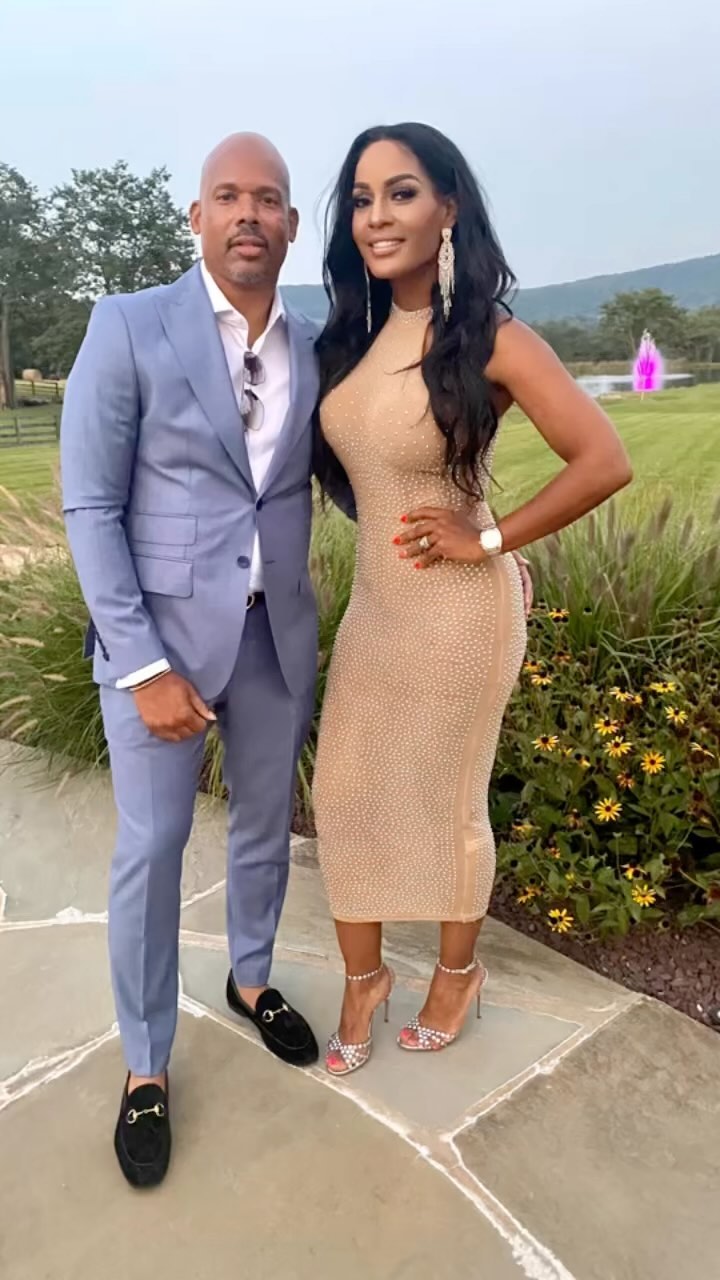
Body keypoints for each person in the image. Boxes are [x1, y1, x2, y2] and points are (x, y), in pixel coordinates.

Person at [61, 133, 355, 1188]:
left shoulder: (318, 345)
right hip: (162, 649)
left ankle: (251, 977)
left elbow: (358, 473)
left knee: (266, 826)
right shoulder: (128, 324)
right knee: (154, 847)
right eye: (228, 196)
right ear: (197, 217)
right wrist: (141, 666)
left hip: (276, 639)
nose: (248, 214)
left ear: (291, 225)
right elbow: (90, 505)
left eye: (267, 199)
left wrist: (460, 505)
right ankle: (147, 1062)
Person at [312, 123, 632, 1076]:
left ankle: (457, 974)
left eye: (402, 192)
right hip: (378, 607)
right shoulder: (358, 334)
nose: (377, 216)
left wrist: (489, 540)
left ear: (448, 208)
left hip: (458, 613)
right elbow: (363, 472)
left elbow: (603, 459)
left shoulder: (490, 336)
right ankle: (365, 979)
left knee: (451, 798)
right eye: (361, 198)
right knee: (344, 792)